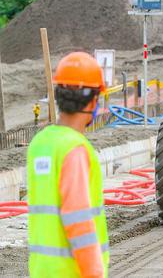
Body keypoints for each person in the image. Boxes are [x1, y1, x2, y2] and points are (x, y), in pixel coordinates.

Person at [27, 52, 109, 278]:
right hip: (72, 272)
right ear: (93, 101)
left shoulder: (39, 144)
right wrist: (94, 273)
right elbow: (78, 219)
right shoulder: (74, 149)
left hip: (41, 271)